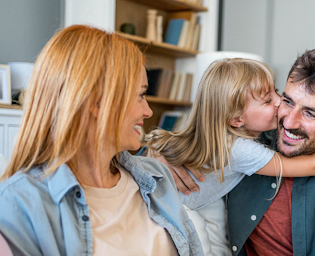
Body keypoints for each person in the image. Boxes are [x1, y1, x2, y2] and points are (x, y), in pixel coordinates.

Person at [0, 25, 203, 256]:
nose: (147, 112)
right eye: (140, 95)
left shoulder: (157, 178)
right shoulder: (19, 203)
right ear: (97, 102)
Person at [146, 58, 315, 256]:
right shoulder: (249, 143)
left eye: (310, 113)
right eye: (286, 100)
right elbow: (313, 165)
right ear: (236, 119)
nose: (287, 119)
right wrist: (156, 159)